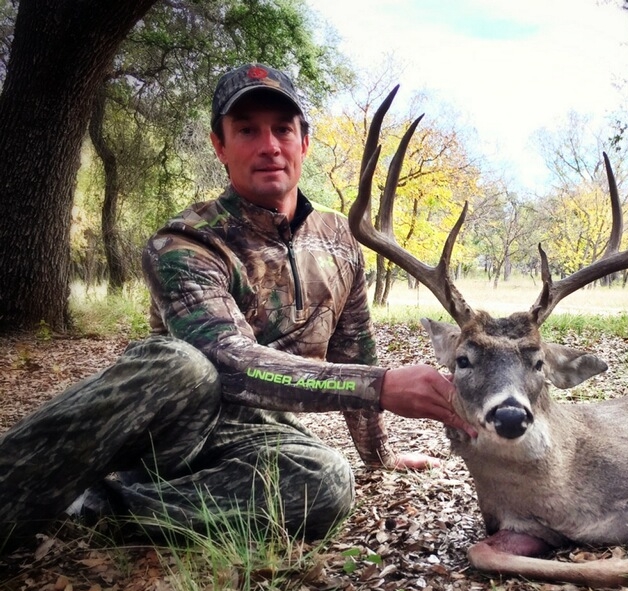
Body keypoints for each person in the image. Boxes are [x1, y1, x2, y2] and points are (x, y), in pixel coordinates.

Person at [0, 62, 474, 552]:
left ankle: (105, 509)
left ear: (304, 143)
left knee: (328, 480)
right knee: (181, 365)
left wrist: (378, 454)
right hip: (173, 426)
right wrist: (380, 386)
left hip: (254, 437)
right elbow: (230, 362)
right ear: (220, 146)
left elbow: (355, 350)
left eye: (282, 129)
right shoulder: (184, 242)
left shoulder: (339, 238)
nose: (269, 145)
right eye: (247, 130)